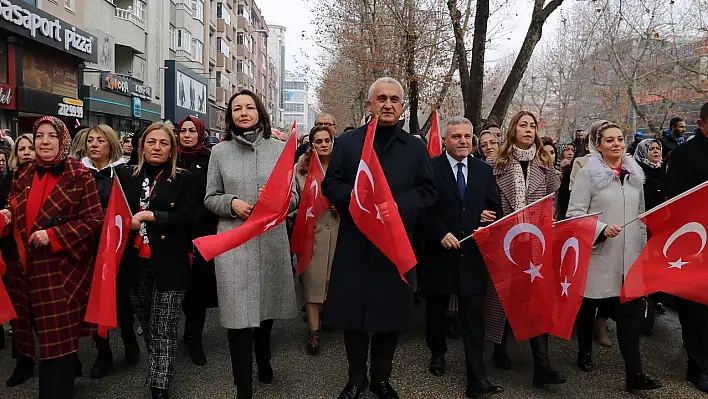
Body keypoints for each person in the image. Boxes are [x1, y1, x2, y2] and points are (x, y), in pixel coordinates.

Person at [322, 77, 436, 399]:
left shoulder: (414, 147)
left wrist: (396, 206)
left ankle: (381, 380)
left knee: (389, 318)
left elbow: (428, 190)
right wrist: (357, 201)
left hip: (394, 245)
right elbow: (332, 184)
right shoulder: (347, 143)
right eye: (381, 98)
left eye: (395, 99)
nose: (388, 104)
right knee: (353, 318)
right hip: (356, 244)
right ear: (370, 105)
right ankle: (355, 380)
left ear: (402, 107)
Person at [204, 89, 298, 399]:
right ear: (229, 117)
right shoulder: (219, 152)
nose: (243, 113)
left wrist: (278, 202)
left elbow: (295, 197)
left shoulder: (281, 150)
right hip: (234, 242)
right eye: (236, 109)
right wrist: (232, 204)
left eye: (249, 107)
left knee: (266, 305)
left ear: (260, 111)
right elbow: (210, 198)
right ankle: (243, 385)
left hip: (270, 240)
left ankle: (264, 355)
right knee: (237, 315)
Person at [2, 116, 103, 397]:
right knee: (32, 334)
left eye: (51, 136)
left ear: (63, 141)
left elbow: (94, 220)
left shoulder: (80, 175)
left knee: (57, 346)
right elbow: (15, 209)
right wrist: (7, 216)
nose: (44, 142)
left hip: (62, 273)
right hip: (24, 270)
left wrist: (55, 235)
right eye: (39, 136)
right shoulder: (22, 173)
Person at [566, 120, 662, 393]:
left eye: (620, 139)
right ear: (598, 145)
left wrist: (642, 253)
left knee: (631, 316)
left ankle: (635, 374)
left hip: (629, 259)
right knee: (589, 308)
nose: (616, 144)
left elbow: (641, 218)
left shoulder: (634, 175)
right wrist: (600, 229)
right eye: (609, 140)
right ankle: (584, 351)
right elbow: (574, 216)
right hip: (598, 256)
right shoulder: (588, 174)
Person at [420, 117, 503, 398]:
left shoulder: (482, 170)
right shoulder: (430, 168)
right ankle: (438, 353)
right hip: (439, 253)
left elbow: (494, 208)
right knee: (436, 311)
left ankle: (477, 378)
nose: (464, 141)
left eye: (468, 136)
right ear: (445, 140)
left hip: (472, 256)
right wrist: (440, 232)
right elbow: (422, 210)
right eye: (457, 136)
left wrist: (484, 216)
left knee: (472, 317)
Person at [116, 122, 197, 399]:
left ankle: (159, 386)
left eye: (163, 143)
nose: (157, 147)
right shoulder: (124, 175)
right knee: (148, 323)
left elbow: (191, 219)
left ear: (172, 149)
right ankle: (159, 362)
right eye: (151, 142)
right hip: (133, 261)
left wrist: (154, 216)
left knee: (164, 325)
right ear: (141, 145)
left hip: (170, 261)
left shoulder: (184, 178)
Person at [485, 110, 565, 388]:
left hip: (535, 245)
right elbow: (489, 202)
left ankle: (542, 366)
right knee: (504, 301)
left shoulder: (546, 167)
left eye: (532, 126)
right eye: (523, 125)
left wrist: (550, 220)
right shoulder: (495, 165)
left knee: (536, 303)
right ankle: (499, 347)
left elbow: (552, 203)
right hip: (505, 243)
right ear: (513, 130)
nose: (528, 130)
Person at [79, 124, 140, 379]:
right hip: (88, 247)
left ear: (111, 144)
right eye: (90, 140)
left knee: (122, 301)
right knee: (94, 301)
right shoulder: (80, 173)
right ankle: (103, 355)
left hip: (118, 246)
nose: (94, 144)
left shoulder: (124, 173)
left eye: (100, 140)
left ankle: (129, 340)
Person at [664, 101, 708, 394]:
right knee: (698, 309)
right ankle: (698, 366)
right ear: (701, 123)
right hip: (697, 243)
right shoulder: (684, 155)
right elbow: (674, 202)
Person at [175, 116, 218, 366]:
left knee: (198, 290)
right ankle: (184, 330)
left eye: (192, 131)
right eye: (183, 131)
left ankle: (195, 338)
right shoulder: (173, 157)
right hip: (175, 233)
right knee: (178, 286)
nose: (187, 135)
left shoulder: (209, 158)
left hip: (203, 233)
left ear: (200, 133)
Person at [295, 125, 340, 355]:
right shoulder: (300, 170)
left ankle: (330, 316)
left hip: (338, 230)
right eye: (318, 141)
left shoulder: (342, 168)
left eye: (327, 140)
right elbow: (293, 199)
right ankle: (313, 332)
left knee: (334, 281)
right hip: (311, 234)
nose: (323, 144)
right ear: (311, 144)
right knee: (312, 283)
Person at [556, 142, 575, 221]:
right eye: (567, 150)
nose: (570, 153)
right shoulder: (553, 167)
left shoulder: (576, 168)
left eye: (573, 150)